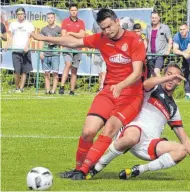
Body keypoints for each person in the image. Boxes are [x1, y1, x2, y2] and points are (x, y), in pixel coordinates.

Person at [31, 8, 146, 180]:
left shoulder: (134, 39)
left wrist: (121, 85)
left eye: (109, 27)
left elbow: (137, 73)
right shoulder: (101, 39)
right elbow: (72, 42)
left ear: (116, 21)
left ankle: (84, 171)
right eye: (103, 28)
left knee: (109, 129)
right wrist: (44, 38)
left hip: (131, 95)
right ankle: (77, 168)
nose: (107, 31)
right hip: (109, 92)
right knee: (88, 131)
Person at [85, 63, 190, 180]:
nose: (171, 79)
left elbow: (185, 139)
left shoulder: (173, 109)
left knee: (181, 151)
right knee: (132, 136)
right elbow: (145, 84)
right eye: (169, 74)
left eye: (175, 77)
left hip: (150, 143)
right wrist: (166, 78)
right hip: (133, 130)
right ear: (164, 75)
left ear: (179, 82)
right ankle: (96, 168)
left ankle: (139, 170)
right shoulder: (154, 89)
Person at [5, 7, 34, 93]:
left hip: (25, 50)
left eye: (21, 14)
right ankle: (17, 87)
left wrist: (26, 46)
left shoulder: (29, 24)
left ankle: (21, 89)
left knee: (25, 71)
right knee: (17, 70)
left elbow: (30, 37)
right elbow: (10, 36)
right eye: (18, 14)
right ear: (16, 15)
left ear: (24, 14)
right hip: (15, 50)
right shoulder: (13, 24)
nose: (20, 15)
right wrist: (7, 44)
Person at [59, 3, 86, 95]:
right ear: (69, 11)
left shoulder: (81, 22)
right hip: (67, 47)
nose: (73, 12)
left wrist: (70, 33)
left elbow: (82, 35)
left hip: (78, 48)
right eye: (72, 10)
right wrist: (75, 34)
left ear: (77, 11)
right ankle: (62, 87)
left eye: (75, 10)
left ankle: (72, 90)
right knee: (68, 64)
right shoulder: (65, 21)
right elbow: (63, 35)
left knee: (74, 70)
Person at [39, 12, 61, 94]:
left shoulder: (59, 29)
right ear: (47, 19)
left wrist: (56, 44)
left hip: (55, 53)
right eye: (48, 18)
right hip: (45, 53)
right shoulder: (43, 29)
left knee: (55, 73)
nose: (50, 19)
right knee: (46, 73)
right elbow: (41, 41)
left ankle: (53, 90)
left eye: (52, 18)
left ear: (54, 18)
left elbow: (61, 40)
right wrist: (41, 52)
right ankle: (47, 90)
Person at [146, 11, 172, 77]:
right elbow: (147, 40)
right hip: (150, 54)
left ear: (159, 18)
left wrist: (168, 50)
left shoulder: (165, 28)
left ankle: (161, 86)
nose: (154, 19)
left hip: (160, 54)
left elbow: (170, 39)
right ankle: (156, 86)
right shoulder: (148, 28)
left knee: (156, 71)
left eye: (155, 18)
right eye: (152, 18)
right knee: (152, 74)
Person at [92, 22, 106, 91]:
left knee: (104, 72)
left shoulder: (108, 23)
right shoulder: (95, 24)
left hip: (105, 51)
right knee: (100, 73)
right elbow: (93, 35)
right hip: (97, 51)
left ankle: (101, 88)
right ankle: (101, 87)